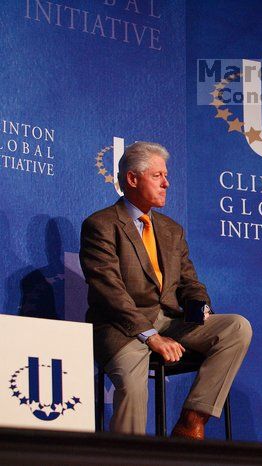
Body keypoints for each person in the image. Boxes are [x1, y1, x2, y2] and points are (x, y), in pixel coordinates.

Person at [80, 141, 252, 439]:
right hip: (122, 327)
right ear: (133, 179)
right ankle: (127, 459)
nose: (167, 183)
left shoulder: (171, 229)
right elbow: (110, 291)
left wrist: (201, 310)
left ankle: (191, 421)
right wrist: (152, 336)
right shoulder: (101, 225)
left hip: (170, 322)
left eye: (166, 175)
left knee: (236, 327)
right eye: (158, 176)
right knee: (133, 388)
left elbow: (190, 282)